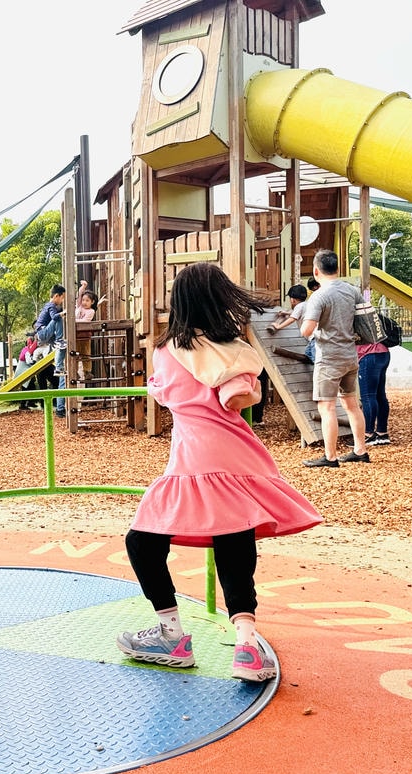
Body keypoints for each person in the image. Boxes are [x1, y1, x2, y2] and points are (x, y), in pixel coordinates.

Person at [116, 263, 322, 681]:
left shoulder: (167, 349)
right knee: (234, 542)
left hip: (195, 457)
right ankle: (247, 643)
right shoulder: (232, 348)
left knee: (142, 542)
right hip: (239, 455)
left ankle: (171, 634)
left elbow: (164, 391)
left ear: (179, 302)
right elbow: (239, 400)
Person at [299, 250, 370, 467]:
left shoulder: (319, 296)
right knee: (351, 404)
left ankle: (330, 457)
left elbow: (306, 329)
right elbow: (365, 320)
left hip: (329, 358)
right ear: (338, 269)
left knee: (326, 407)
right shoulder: (352, 291)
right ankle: (360, 450)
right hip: (350, 356)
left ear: (316, 271)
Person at [35, 284, 68, 416]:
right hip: (42, 332)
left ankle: (58, 342)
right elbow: (55, 317)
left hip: (45, 335)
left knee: (59, 319)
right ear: (56, 296)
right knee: (58, 318)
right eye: (62, 298)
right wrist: (62, 313)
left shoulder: (50, 306)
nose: (62, 301)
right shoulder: (51, 306)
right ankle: (60, 341)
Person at [357, 324, 392, 447]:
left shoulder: (354, 314)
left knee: (368, 396)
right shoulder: (369, 315)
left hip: (368, 354)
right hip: (383, 352)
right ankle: (382, 433)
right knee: (380, 395)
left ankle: (368, 434)